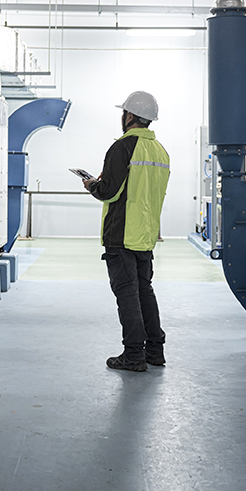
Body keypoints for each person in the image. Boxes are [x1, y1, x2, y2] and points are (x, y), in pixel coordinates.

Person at [82, 91, 170, 372]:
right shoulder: (160, 151)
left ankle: (133, 355)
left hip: (121, 234)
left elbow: (109, 191)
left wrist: (92, 185)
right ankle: (155, 350)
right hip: (145, 234)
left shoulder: (122, 148)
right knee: (145, 291)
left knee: (127, 294)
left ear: (130, 116)